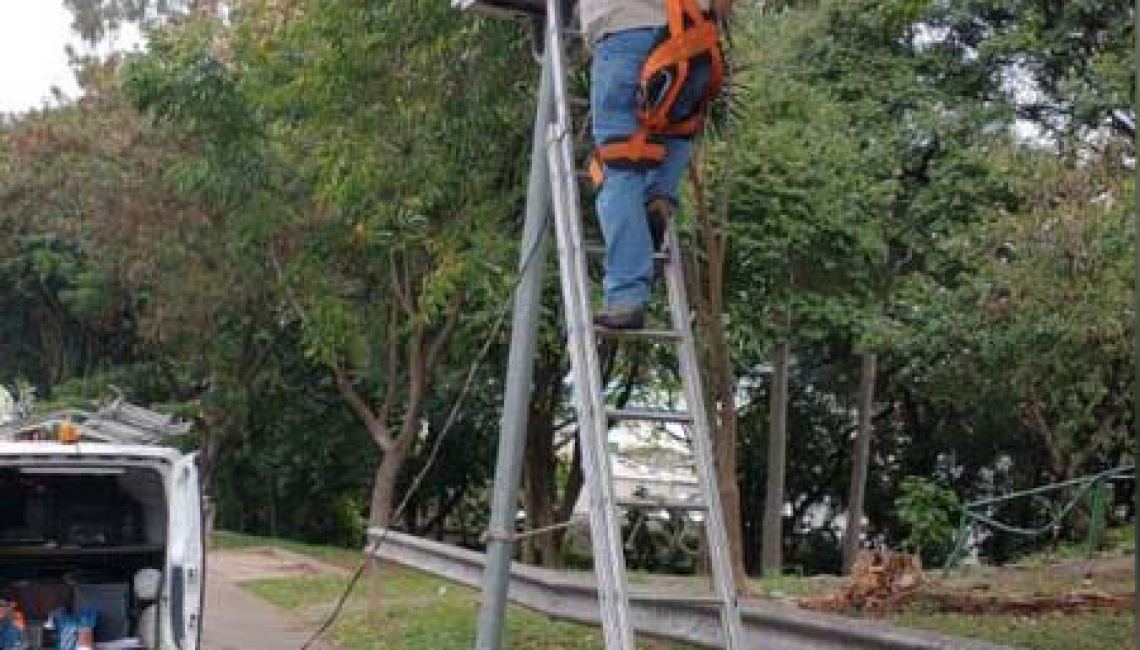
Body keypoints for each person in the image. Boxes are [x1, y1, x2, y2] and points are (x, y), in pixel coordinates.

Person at [581, 0, 732, 330]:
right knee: (677, 128)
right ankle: (658, 198)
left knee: (621, 165)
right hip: (694, 37)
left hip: (625, 31)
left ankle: (626, 297)